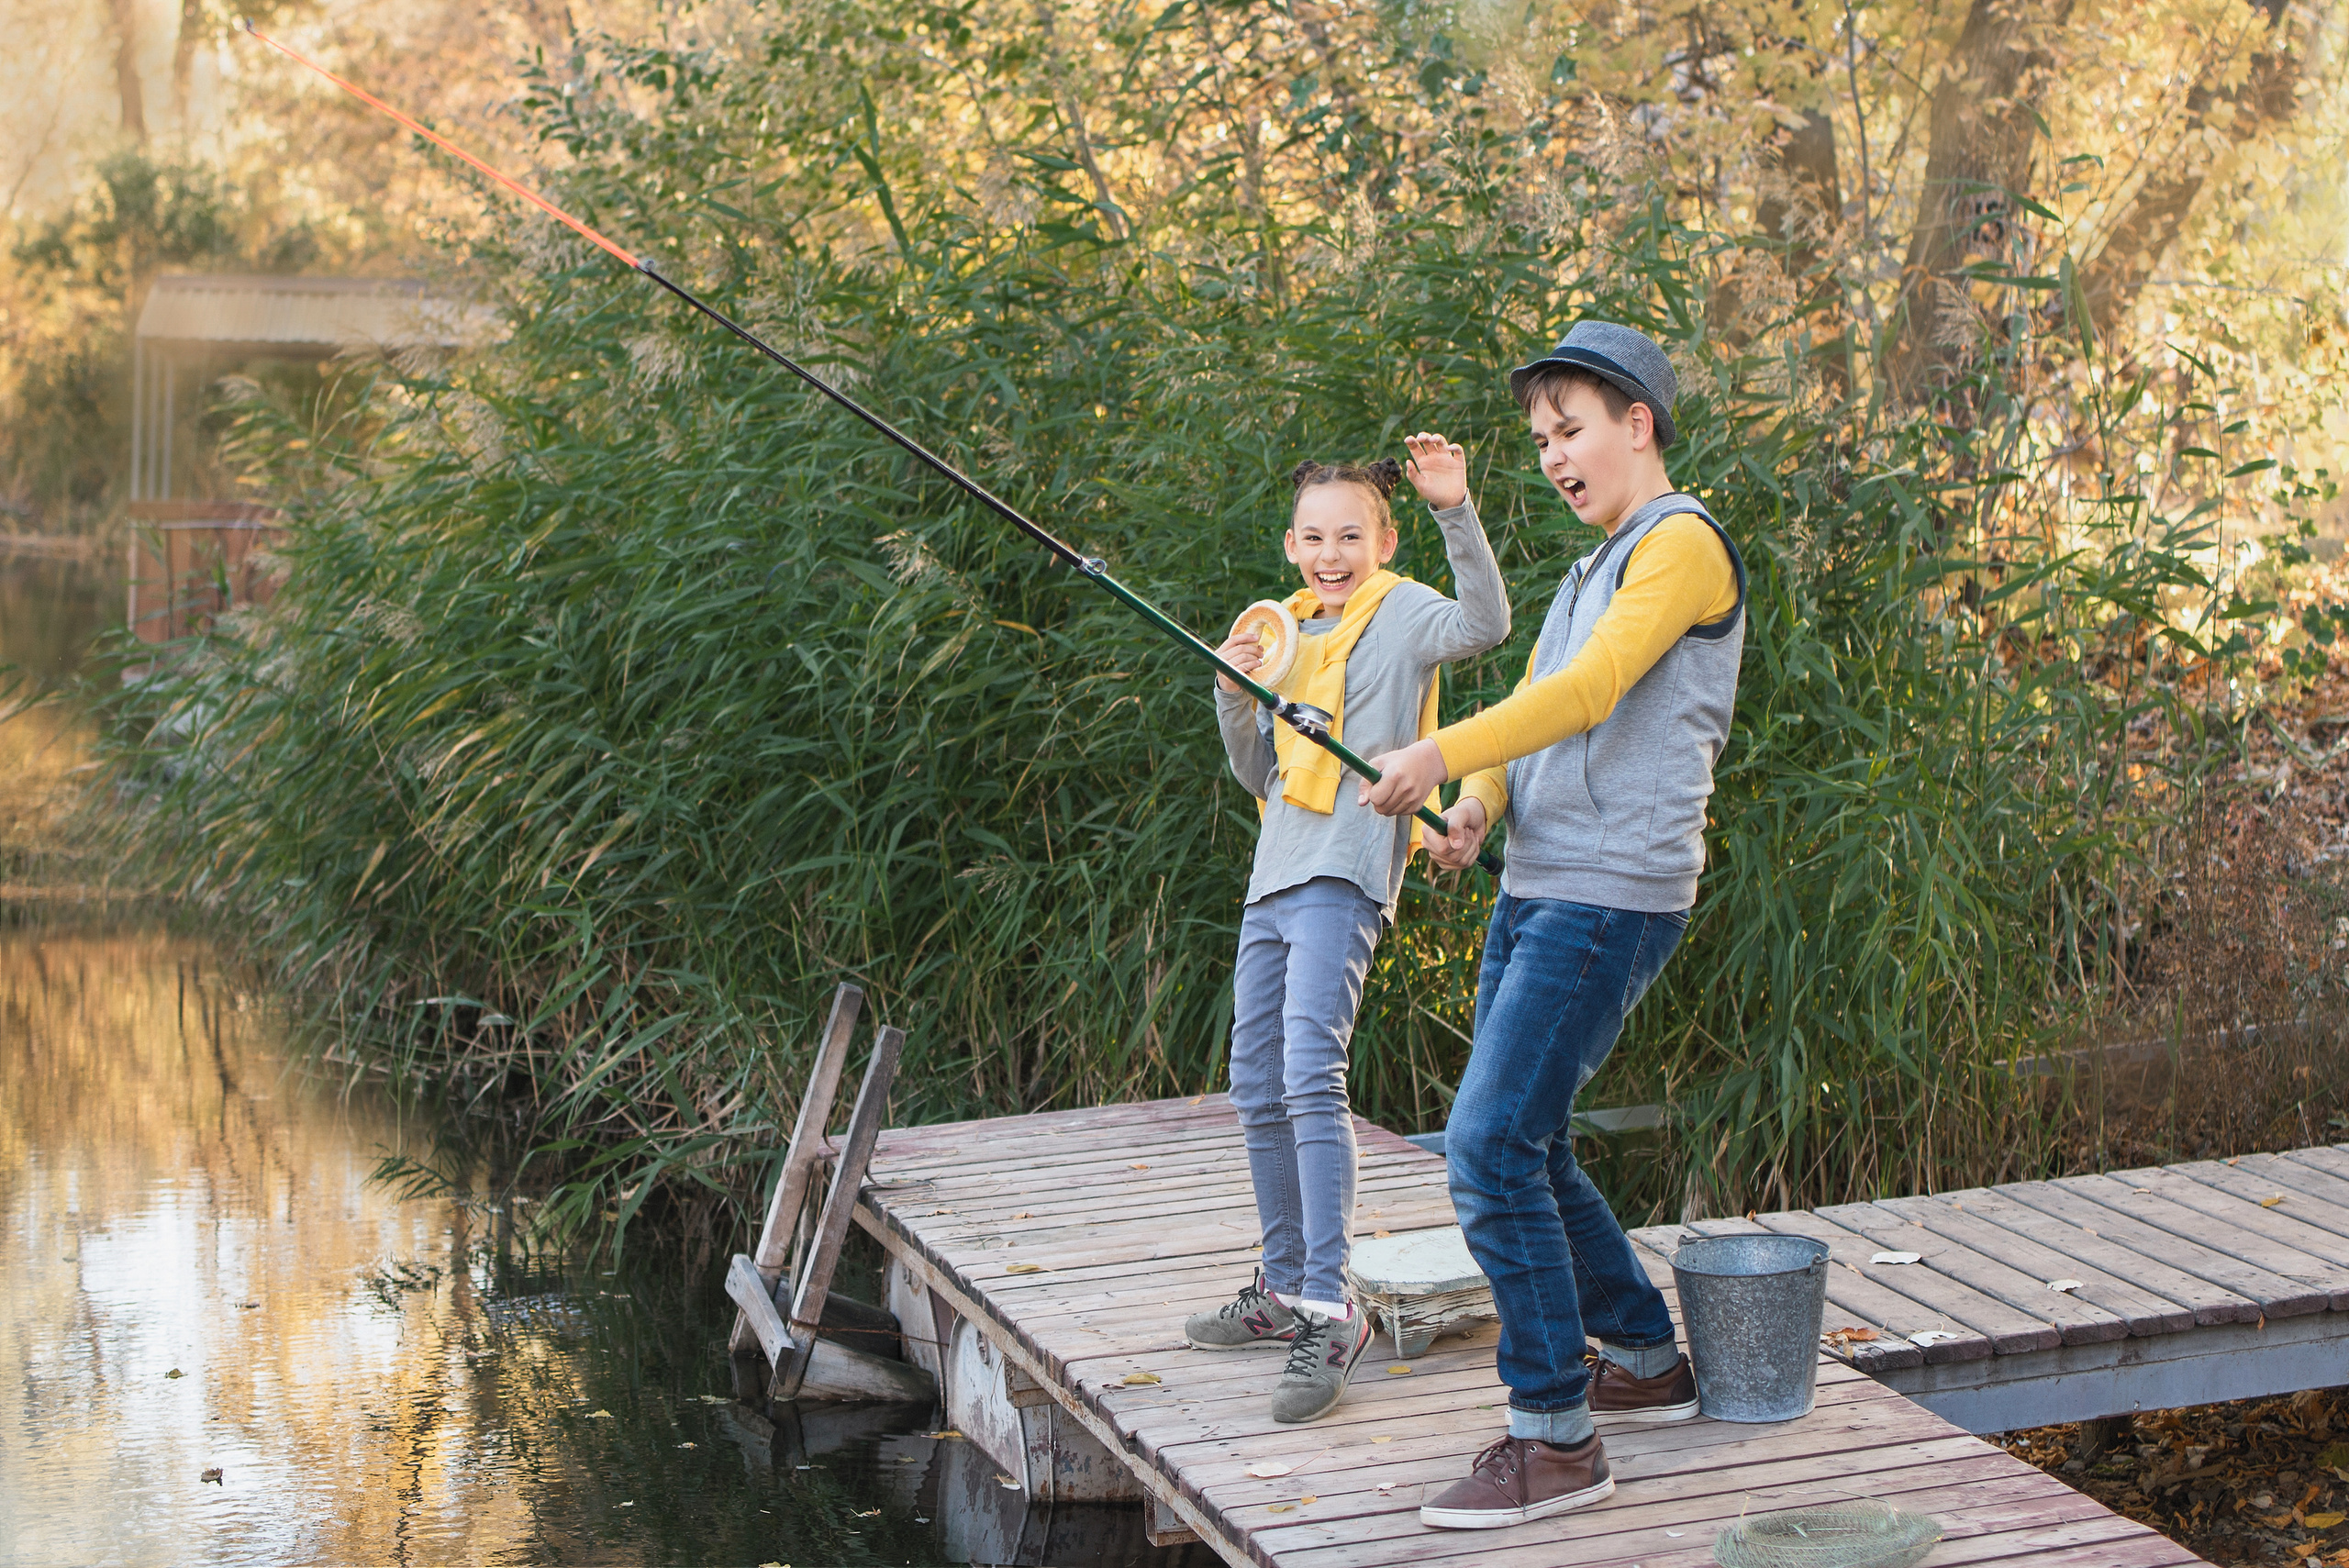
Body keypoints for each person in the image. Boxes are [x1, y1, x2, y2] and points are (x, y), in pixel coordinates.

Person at [1357, 321, 1747, 1528]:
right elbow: (1538, 711)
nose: (1553, 456)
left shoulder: (1679, 546)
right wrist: (1473, 806)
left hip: (1610, 897)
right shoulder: (1594, 566)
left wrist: (1431, 752)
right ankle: (1640, 1356)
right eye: (1539, 441)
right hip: (1540, 884)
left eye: (1569, 429)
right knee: (1527, 1139)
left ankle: (1554, 1439)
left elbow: (1590, 692)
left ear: (1639, 423)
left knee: (1485, 1147)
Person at [1183, 439, 1510, 1425]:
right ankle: (1282, 1287)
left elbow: (1486, 625)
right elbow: (1257, 775)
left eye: (1351, 535)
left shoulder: (1405, 611)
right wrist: (1231, 694)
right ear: (1291, 544)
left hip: (1345, 869)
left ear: (1383, 538)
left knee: (1308, 1073)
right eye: (1315, 536)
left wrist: (1455, 507)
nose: (1332, 553)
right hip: (1272, 873)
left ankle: (1331, 1304)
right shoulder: (1277, 628)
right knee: (1253, 1075)